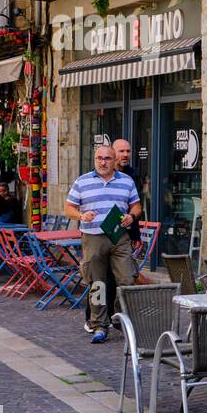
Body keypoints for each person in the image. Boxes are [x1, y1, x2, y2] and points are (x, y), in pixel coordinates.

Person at [65, 144, 141, 344]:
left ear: (114, 160)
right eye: (99, 158)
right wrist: (81, 215)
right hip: (93, 238)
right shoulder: (82, 182)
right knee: (97, 284)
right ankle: (99, 324)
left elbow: (136, 206)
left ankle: (118, 315)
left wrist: (131, 217)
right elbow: (69, 208)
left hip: (119, 237)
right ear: (94, 159)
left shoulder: (126, 181)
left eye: (107, 158)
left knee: (127, 279)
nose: (103, 162)